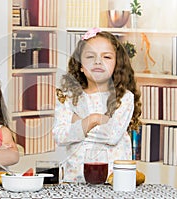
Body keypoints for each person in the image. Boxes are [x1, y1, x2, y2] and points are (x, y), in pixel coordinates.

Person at [53, 28, 141, 182]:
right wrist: (94, 119)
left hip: (114, 180)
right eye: (90, 56)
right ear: (80, 64)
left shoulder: (125, 98)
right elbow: (60, 136)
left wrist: (79, 123)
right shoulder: (68, 97)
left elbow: (112, 135)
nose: (98, 61)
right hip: (74, 179)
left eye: (106, 57)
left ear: (117, 64)